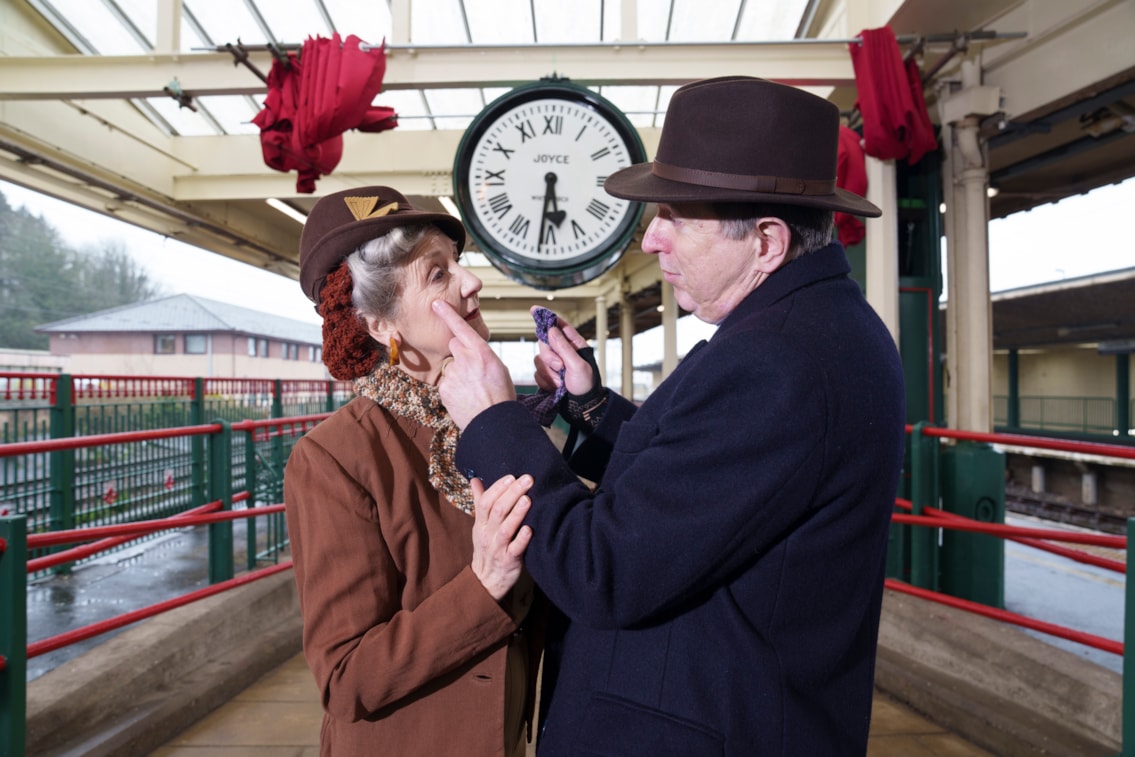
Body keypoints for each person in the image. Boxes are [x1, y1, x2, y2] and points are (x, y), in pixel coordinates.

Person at [433, 76, 907, 755]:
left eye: (677, 219)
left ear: (767, 242)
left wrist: (493, 420)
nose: (652, 239)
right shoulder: (819, 330)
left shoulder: (777, 361)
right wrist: (591, 405)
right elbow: (712, 482)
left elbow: (605, 570)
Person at [282, 186, 541, 757]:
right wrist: (484, 585)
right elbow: (345, 677)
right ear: (380, 326)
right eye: (439, 273)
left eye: (460, 265)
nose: (470, 282)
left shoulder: (490, 418)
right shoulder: (333, 460)